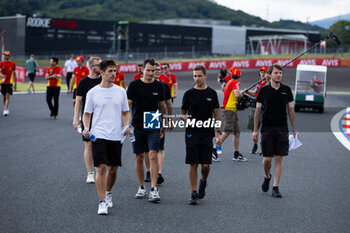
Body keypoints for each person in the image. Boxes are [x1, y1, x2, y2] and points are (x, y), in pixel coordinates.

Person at [83, 59, 130, 215]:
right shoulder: (93, 92)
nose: (113, 74)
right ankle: (102, 201)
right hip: (99, 134)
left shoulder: (121, 91)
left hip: (116, 135)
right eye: (110, 71)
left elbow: (125, 112)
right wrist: (86, 128)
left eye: (115, 71)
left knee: (113, 170)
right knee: (101, 167)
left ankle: (108, 192)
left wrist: (126, 124)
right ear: (101, 72)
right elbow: (87, 114)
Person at [252, 63, 297, 198]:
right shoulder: (263, 91)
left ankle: (275, 187)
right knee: (267, 160)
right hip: (267, 128)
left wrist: (294, 129)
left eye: (280, 73)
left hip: (282, 128)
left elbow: (290, 109)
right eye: (276, 73)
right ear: (269, 75)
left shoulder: (287, 90)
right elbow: (258, 111)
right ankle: (267, 176)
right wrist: (255, 130)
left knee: (278, 158)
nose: (279, 75)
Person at [181, 65, 222, 205]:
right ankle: (193, 192)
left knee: (205, 165)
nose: (196, 78)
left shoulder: (212, 93)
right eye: (194, 76)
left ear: (205, 76)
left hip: (207, 133)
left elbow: (217, 115)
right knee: (193, 163)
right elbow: (182, 114)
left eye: (199, 76)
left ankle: (203, 182)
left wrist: (218, 132)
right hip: (192, 133)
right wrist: (188, 120)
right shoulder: (188, 94)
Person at [127, 58, 166, 202]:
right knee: (139, 157)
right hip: (137, 123)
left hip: (153, 120)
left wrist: (163, 123)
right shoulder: (134, 85)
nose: (150, 73)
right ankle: (142, 187)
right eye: (148, 70)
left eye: (153, 70)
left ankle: (154, 189)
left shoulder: (159, 86)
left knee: (153, 154)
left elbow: (162, 106)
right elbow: (128, 106)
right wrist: (126, 123)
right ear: (143, 69)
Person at [73, 57, 102, 184]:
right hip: (88, 117)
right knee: (89, 144)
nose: (100, 67)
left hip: (102, 117)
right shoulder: (83, 82)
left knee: (101, 144)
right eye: (98, 65)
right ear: (91, 67)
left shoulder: (104, 80)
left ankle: (100, 169)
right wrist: (76, 118)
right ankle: (90, 173)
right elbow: (78, 101)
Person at [213, 68, 247, 162]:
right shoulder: (235, 82)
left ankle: (236, 154)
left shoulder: (230, 82)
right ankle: (214, 150)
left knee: (237, 132)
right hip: (229, 110)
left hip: (231, 110)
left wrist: (240, 93)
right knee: (227, 131)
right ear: (239, 76)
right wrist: (242, 95)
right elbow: (237, 94)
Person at [245, 67, 270, 154]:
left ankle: (264, 146)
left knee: (265, 129)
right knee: (253, 127)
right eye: (261, 72)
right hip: (255, 108)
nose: (262, 74)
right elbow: (255, 94)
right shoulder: (258, 84)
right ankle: (255, 145)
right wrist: (247, 92)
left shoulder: (269, 83)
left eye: (264, 72)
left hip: (264, 109)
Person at [0, 50, 17, 116]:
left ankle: (5, 109)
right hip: (2, 82)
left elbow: (15, 74)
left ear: (8, 56)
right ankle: (6, 107)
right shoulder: (1, 63)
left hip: (9, 82)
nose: (4, 56)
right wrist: (1, 75)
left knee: (7, 96)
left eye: (5, 55)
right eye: (4, 55)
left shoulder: (13, 64)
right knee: (4, 97)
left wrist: (15, 84)